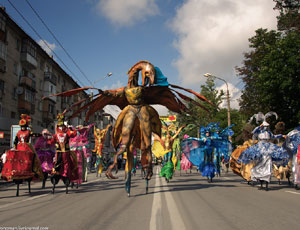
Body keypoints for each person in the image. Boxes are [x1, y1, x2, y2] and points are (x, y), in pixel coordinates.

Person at [239, 119, 288, 191]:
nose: (266, 127)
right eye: (264, 126)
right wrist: (259, 126)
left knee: (268, 166)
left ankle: (266, 184)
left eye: (267, 126)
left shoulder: (269, 133)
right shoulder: (258, 131)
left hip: (268, 149)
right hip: (260, 149)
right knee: (259, 166)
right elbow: (253, 132)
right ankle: (261, 184)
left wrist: (282, 135)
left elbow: (274, 136)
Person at [1, 114, 43, 196]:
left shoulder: (28, 131)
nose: (23, 127)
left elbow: (33, 134)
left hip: (27, 147)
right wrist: (14, 147)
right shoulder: (18, 133)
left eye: (24, 126)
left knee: (32, 156)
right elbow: (15, 141)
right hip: (20, 147)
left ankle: (33, 169)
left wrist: (40, 135)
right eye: (22, 126)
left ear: (26, 126)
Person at [50, 113, 78, 194]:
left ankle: (66, 178)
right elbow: (51, 142)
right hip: (59, 152)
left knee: (67, 165)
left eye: (62, 126)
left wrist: (71, 128)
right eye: (59, 126)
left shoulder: (67, 133)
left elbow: (74, 134)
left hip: (65, 152)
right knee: (57, 164)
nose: (61, 128)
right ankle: (56, 177)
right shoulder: (56, 135)